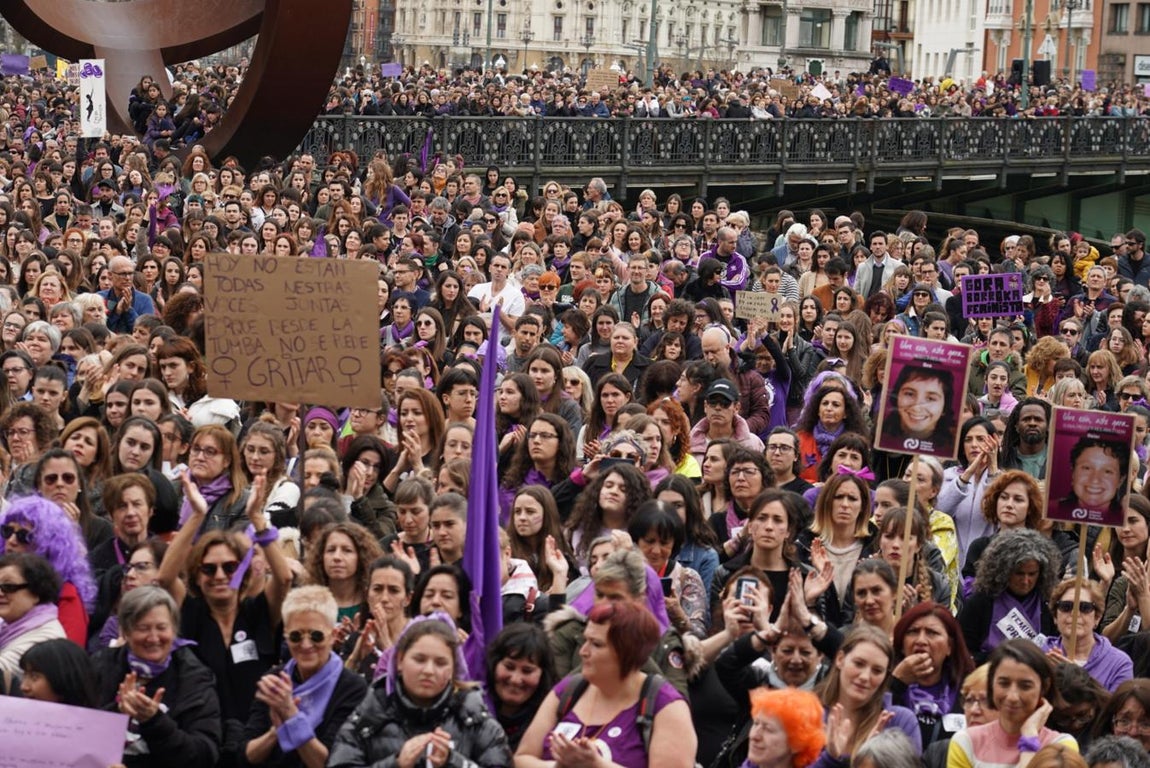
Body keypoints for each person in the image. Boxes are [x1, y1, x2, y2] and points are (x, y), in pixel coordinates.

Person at [516, 599, 696, 768]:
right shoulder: (569, 690)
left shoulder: (666, 705)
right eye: (586, 640)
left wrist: (597, 765)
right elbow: (522, 758)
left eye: (596, 644)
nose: (583, 651)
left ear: (626, 652)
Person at [328, 614, 513, 768]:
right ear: (400, 661)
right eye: (419, 659)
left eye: (440, 663)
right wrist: (396, 764)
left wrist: (453, 761)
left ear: (453, 669)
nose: (428, 671)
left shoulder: (474, 716)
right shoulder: (370, 712)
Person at [240, 585, 368, 767]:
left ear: (333, 636)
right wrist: (275, 733)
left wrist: (291, 716)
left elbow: (330, 762)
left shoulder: (352, 688)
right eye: (295, 636)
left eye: (316, 636)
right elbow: (247, 755)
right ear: (286, 637)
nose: (306, 645)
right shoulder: (275, 680)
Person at [947, 639, 1078, 768]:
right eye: (1004, 683)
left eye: (1025, 686)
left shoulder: (1061, 746)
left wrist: (1029, 737)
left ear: (1044, 687)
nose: (1012, 697)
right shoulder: (966, 742)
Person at [0, 494, 95, 645]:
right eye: (7, 531)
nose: (11, 540)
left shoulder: (66, 597)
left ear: (49, 546)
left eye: (24, 536)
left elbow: (64, 655)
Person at [959, 529, 1062, 663]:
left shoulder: (1048, 603)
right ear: (1004, 570)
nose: (1026, 581)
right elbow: (964, 653)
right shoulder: (980, 602)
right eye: (1019, 573)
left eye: (1032, 574)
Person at [890, 601, 976, 747]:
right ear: (902, 645)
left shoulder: (969, 692)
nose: (921, 640)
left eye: (932, 633)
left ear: (949, 647)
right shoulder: (883, 682)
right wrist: (896, 682)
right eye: (913, 632)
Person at [1039, 578, 1133, 693]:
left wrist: (1079, 678)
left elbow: (1117, 704)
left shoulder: (1118, 663)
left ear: (1097, 618)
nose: (1075, 613)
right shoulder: (1040, 656)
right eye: (1066, 606)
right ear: (1055, 616)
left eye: (1085, 607)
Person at [486, 623, 558, 753]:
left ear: (543, 675)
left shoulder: (551, 725)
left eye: (527, 671)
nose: (515, 679)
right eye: (509, 667)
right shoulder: (471, 710)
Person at [0, 552, 67, 676]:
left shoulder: (46, 638)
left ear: (36, 592)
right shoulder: (7, 624)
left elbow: (3, 671)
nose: (0, 593)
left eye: (8, 587)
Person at [881, 363, 957, 455]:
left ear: (945, 407)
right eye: (909, 394)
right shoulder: (880, 435)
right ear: (897, 396)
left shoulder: (954, 447)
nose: (917, 407)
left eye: (930, 398)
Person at [1052, 437, 1130, 526]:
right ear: (1073, 472)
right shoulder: (1052, 510)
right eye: (1087, 468)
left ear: (1121, 480)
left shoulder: (1126, 520)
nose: (1095, 480)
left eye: (1107, 471)